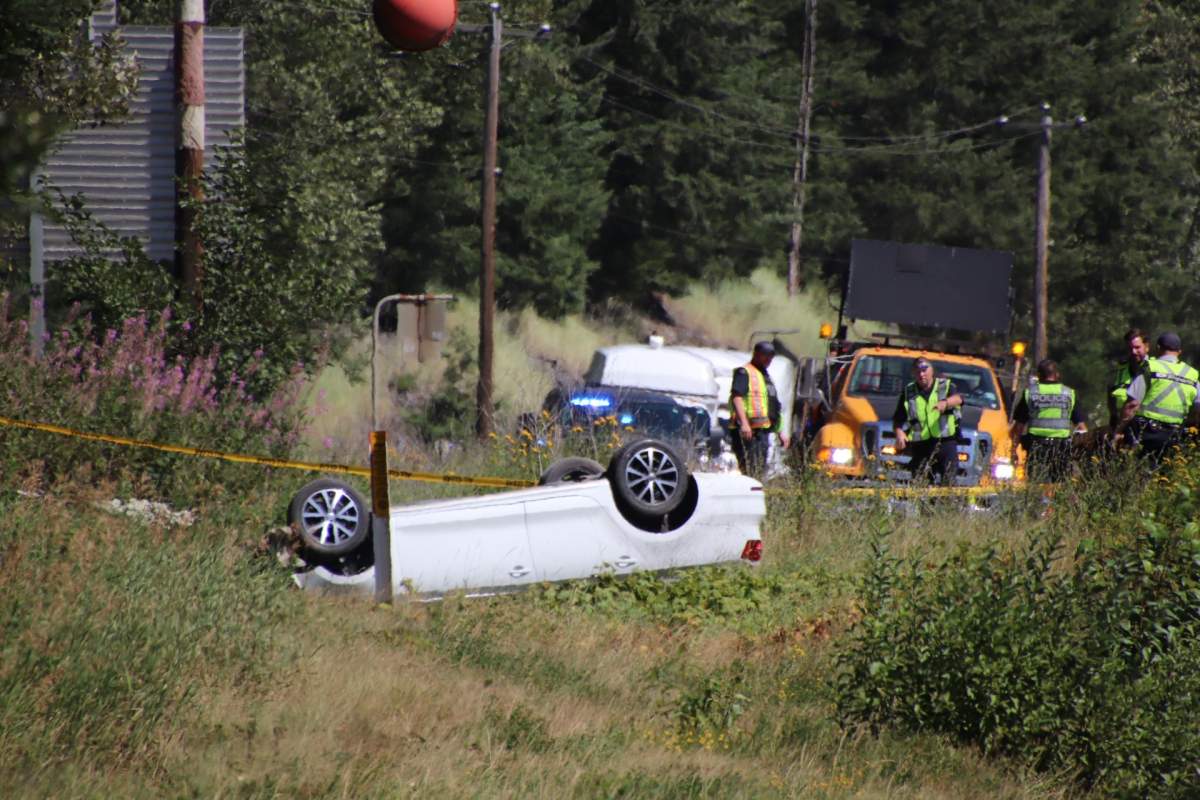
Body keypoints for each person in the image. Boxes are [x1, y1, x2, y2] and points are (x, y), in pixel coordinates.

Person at [1113, 332, 1200, 463]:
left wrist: (1118, 431)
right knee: (1165, 477)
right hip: (1174, 437)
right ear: (1180, 351)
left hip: (1146, 434)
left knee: (1136, 471)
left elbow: (1132, 404)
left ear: (1158, 348)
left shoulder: (1151, 367)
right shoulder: (1192, 374)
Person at [1011, 359, 1087, 482]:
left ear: (1039, 375)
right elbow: (1082, 428)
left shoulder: (1030, 393)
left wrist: (1013, 451)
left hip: (1036, 448)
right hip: (1061, 448)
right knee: (1060, 486)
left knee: (1035, 486)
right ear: (1057, 374)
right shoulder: (1069, 394)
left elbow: (1018, 428)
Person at [893, 356, 964, 485]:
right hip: (921, 446)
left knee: (948, 483)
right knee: (921, 484)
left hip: (945, 444)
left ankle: (945, 505)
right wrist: (899, 432)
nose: (921, 374)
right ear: (913, 373)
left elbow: (959, 399)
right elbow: (898, 418)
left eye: (925, 370)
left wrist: (945, 403)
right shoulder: (908, 392)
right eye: (918, 371)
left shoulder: (945, 386)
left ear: (932, 370)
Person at [729, 341, 790, 477]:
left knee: (758, 471)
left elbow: (773, 405)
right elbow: (737, 397)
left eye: (771, 357)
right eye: (765, 356)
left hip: (762, 432)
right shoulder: (744, 372)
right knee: (750, 470)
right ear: (756, 354)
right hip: (748, 432)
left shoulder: (765, 376)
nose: (768, 360)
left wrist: (780, 432)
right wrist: (744, 424)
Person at [1107, 327, 1149, 431]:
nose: (1134, 352)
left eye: (1137, 347)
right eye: (1130, 348)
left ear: (1147, 347)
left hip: (1146, 429)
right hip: (1121, 427)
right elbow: (1111, 396)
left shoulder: (1155, 370)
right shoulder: (1119, 370)